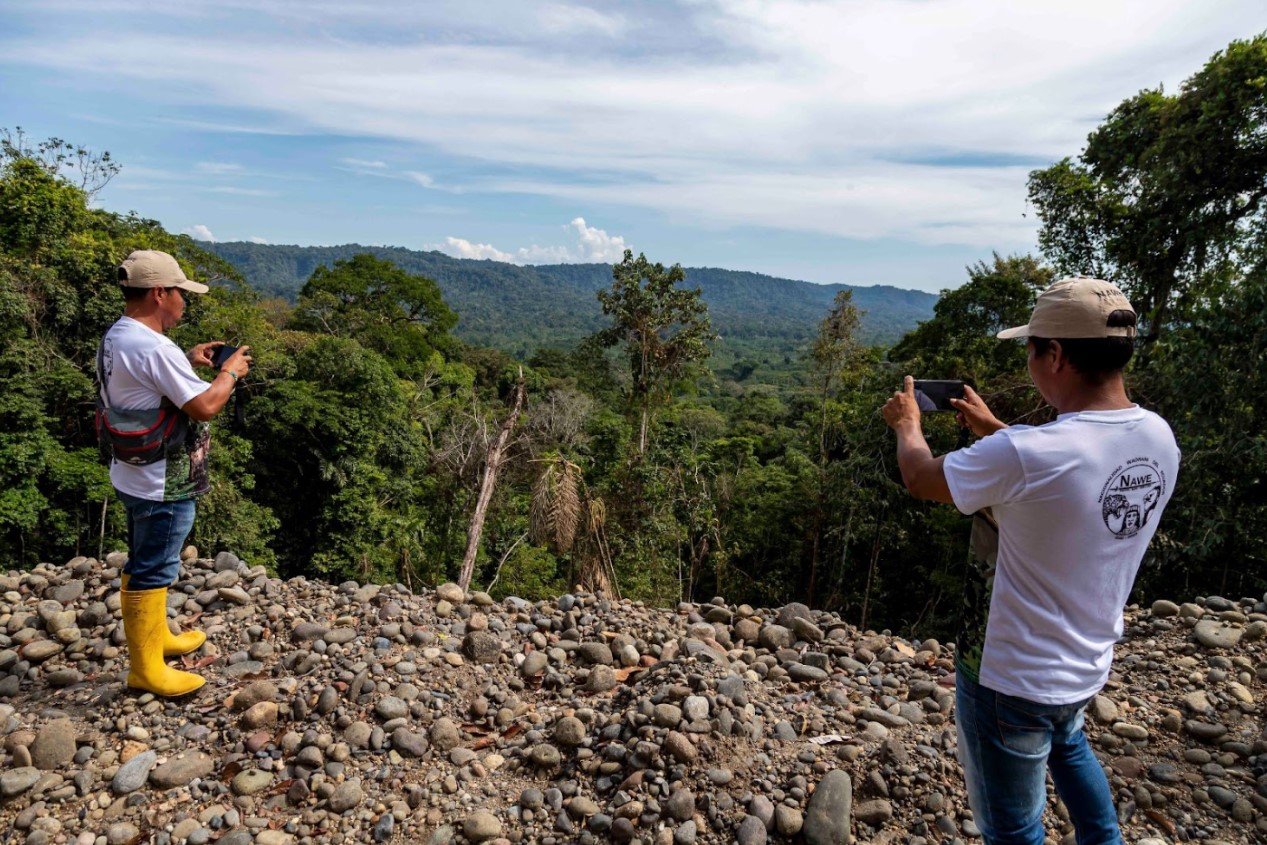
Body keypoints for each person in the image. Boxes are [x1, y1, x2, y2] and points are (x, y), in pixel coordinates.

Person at [881, 277, 1179, 845]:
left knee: (1013, 830)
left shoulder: (1027, 453)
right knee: (1068, 742)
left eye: (1031, 346)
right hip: (1085, 663)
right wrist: (998, 432)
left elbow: (920, 478)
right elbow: (1072, 479)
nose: (1028, 358)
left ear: (1057, 354)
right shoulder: (1158, 437)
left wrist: (908, 425)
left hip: (1010, 677)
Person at [98, 250, 252, 697]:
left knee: (142, 558)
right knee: (154, 566)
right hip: (161, 482)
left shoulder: (119, 335)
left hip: (131, 470)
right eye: (181, 294)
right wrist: (229, 373)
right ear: (160, 293)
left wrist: (184, 360)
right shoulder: (152, 346)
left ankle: (156, 639)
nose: (185, 302)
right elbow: (204, 406)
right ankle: (145, 669)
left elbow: (143, 383)